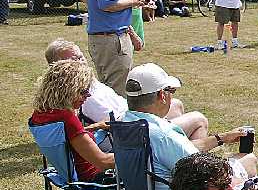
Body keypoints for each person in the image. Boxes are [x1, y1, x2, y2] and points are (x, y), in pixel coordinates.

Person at [120, 62, 258, 190]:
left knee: (248, 159)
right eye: (171, 91)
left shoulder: (126, 124)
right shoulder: (162, 134)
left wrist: (222, 138)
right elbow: (204, 173)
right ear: (162, 95)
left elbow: (184, 154)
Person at [44, 38, 208, 137]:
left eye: (80, 57)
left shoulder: (89, 82)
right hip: (131, 132)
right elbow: (113, 122)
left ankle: (177, 155)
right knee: (199, 119)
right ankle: (194, 175)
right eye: (74, 60)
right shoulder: (81, 96)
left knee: (176, 103)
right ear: (58, 68)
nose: (81, 62)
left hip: (133, 119)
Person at [29, 60, 115, 182]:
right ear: (67, 90)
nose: (88, 95)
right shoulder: (66, 118)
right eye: (83, 91)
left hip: (71, 176)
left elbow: (66, 137)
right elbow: (103, 162)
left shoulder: (40, 115)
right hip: (95, 179)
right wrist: (137, 157)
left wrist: (95, 126)